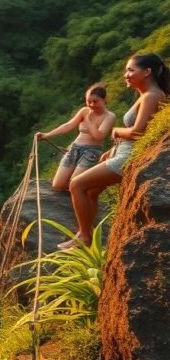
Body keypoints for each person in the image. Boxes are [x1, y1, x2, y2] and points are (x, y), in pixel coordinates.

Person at [63, 54, 169, 249]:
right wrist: (113, 148)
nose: (125, 75)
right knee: (92, 191)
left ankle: (84, 237)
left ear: (147, 72)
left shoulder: (152, 96)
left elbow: (138, 132)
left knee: (76, 185)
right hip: (122, 151)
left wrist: (116, 131)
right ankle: (85, 233)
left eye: (130, 70)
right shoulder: (147, 95)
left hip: (127, 156)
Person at [35, 84, 116, 191]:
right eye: (88, 101)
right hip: (74, 148)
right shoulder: (84, 111)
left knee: (75, 183)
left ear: (104, 100)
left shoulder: (109, 116)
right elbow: (68, 125)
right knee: (57, 185)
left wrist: (89, 120)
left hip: (91, 152)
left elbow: (98, 136)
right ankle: (83, 189)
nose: (91, 104)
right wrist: (47, 134)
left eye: (95, 101)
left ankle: (86, 189)